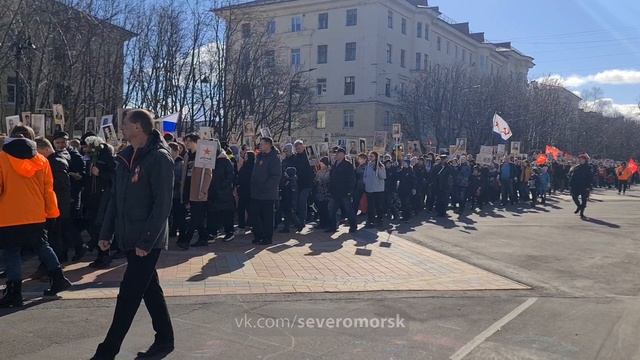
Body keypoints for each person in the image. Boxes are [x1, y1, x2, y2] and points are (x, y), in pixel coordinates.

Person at [91, 109, 174, 360]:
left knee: (128, 294)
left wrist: (147, 240)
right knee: (150, 289)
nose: (122, 128)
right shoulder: (124, 158)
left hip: (147, 240)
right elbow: (115, 200)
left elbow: (162, 204)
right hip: (129, 237)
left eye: (125, 124)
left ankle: (107, 351)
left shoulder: (159, 158)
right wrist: (106, 233)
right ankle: (165, 339)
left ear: (137, 127)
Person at [0, 126, 72, 308]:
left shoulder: (2, 158)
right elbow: (48, 190)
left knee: (12, 252)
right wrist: (52, 213)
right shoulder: (41, 160)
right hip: (36, 214)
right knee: (42, 246)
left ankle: (14, 292)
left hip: (8, 215)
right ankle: (58, 278)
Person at [177, 134, 212, 249]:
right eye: (186, 141)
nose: (187, 143)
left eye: (189, 141)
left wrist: (204, 190)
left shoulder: (203, 154)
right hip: (188, 189)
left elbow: (208, 174)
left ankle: (187, 240)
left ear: (196, 142)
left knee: (195, 217)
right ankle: (203, 238)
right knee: (198, 217)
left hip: (198, 190)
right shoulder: (187, 155)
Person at [250, 137, 282, 245]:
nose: (260, 146)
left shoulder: (274, 158)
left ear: (268, 145)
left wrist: (265, 186)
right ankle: (258, 235)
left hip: (268, 193)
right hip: (256, 192)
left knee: (267, 217)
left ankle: (267, 237)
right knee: (254, 215)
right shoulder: (259, 156)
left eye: (262, 144)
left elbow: (276, 176)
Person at [207, 149, 236, 242]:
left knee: (226, 213)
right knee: (212, 214)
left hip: (224, 193)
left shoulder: (225, 161)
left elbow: (230, 176)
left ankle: (229, 232)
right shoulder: (209, 160)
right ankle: (212, 232)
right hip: (212, 192)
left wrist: (221, 187)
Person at [327, 147, 357, 233]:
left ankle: (353, 226)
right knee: (332, 210)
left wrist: (350, 191)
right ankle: (332, 227)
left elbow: (352, 179)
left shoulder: (348, 165)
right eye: (335, 153)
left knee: (348, 209)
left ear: (343, 155)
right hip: (335, 192)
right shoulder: (334, 164)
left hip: (344, 191)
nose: (336, 154)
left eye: (338, 153)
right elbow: (332, 177)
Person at [292, 140, 314, 230]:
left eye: (299, 147)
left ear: (303, 146)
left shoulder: (308, 155)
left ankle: (302, 221)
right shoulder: (296, 157)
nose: (298, 149)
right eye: (296, 148)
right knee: (298, 202)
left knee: (302, 201)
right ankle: (300, 220)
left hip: (307, 182)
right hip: (299, 183)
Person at [363, 151, 386, 227]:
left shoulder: (380, 166)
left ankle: (380, 219)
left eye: (372, 156)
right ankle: (371, 219)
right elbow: (365, 176)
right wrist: (365, 181)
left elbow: (383, 176)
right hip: (369, 189)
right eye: (369, 156)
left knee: (378, 205)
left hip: (378, 189)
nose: (370, 157)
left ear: (376, 157)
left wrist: (378, 169)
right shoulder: (368, 165)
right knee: (370, 206)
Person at [168, 142, 185, 238]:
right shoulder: (168, 162)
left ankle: (181, 234)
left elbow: (181, 178)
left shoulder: (181, 163)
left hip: (178, 193)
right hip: (170, 193)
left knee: (179, 215)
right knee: (171, 214)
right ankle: (172, 230)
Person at [570, 154, 592, 218]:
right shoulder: (576, 167)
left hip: (585, 185)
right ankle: (579, 206)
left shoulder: (588, 167)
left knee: (584, 199)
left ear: (585, 160)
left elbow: (590, 177)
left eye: (582, 159)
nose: (580, 160)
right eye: (580, 159)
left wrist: (589, 186)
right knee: (574, 196)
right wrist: (571, 184)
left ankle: (582, 212)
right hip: (576, 185)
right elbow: (572, 176)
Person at [236, 151, 255, 229]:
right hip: (243, 190)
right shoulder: (244, 166)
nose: (245, 158)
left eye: (247, 156)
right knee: (241, 208)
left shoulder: (253, 167)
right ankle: (242, 224)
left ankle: (250, 223)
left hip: (249, 190)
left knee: (249, 208)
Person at [314, 157, 331, 229]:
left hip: (327, 192)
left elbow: (330, 181)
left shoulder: (329, 171)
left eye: (322, 163)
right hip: (320, 192)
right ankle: (322, 223)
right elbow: (315, 180)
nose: (321, 165)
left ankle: (327, 223)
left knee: (326, 208)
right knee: (320, 208)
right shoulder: (319, 172)